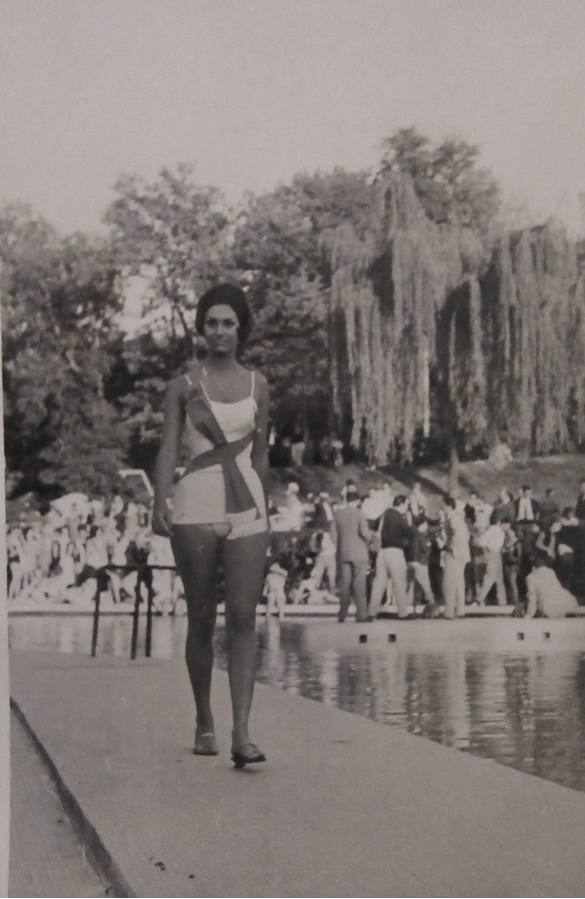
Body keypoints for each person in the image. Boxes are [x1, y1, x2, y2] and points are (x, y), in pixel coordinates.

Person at [153, 283, 270, 768]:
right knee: (201, 616)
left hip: (247, 506)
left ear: (241, 329)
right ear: (201, 329)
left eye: (228, 323)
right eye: (211, 323)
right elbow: (169, 444)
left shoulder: (259, 385)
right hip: (195, 504)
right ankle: (205, 719)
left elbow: (261, 454)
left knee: (243, 616)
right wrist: (159, 495)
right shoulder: (183, 386)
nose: (219, 331)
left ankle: (242, 732)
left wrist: (266, 510)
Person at [368, 495, 416, 620]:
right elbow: (410, 533)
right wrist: (411, 524)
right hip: (395, 552)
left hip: (382, 552)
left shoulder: (384, 514)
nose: (407, 507)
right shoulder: (399, 517)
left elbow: (373, 526)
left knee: (379, 583)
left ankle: (371, 612)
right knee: (399, 583)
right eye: (406, 505)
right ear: (402, 503)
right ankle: (402, 613)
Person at [330, 486, 370, 622]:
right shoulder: (360, 513)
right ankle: (361, 614)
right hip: (359, 553)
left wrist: (340, 546)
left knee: (345, 584)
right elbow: (365, 533)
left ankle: (342, 614)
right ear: (358, 501)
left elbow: (333, 536)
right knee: (359, 584)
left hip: (343, 553)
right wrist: (370, 537)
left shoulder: (338, 515)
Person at [525, 552, 579, 619]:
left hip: (550, 608)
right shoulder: (550, 571)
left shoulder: (530, 577)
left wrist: (529, 615)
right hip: (568, 602)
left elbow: (532, 599)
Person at [442, 498, 471, 619]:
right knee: (459, 582)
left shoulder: (452, 519)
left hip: (454, 554)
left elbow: (456, 535)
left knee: (449, 582)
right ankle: (460, 610)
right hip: (462, 554)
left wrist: (451, 547)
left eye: (443, 505)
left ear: (449, 506)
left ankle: (449, 611)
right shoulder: (459, 519)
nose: (442, 508)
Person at [475, 516, 507, 606]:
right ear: (503, 523)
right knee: (490, 577)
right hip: (491, 554)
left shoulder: (503, 533)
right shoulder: (494, 529)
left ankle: (502, 601)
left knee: (499, 579)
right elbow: (482, 541)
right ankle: (479, 598)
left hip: (497, 554)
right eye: (507, 525)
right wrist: (486, 554)